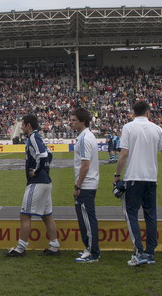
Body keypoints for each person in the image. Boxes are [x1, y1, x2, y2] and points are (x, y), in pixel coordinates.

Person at [115, 100, 162, 266]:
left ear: (134, 112)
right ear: (148, 112)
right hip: (151, 177)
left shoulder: (128, 127)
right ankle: (150, 252)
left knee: (131, 213)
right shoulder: (156, 128)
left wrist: (117, 174)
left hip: (134, 176)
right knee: (150, 214)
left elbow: (124, 154)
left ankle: (139, 251)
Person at [6, 114, 60, 257]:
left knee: (25, 215)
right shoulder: (38, 138)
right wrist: (44, 169)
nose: (21, 127)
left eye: (23, 125)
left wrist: (36, 171)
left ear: (29, 125)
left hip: (37, 183)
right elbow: (49, 155)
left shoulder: (33, 138)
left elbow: (43, 155)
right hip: (46, 182)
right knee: (47, 216)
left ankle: (20, 248)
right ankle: (54, 245)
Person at [70, 108, 100, 263]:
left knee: (87, 219)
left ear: (83, 121)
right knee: (87, 218)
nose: (71, 122)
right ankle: (90, 249)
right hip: (89, 183)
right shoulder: (87, 136)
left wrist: (77, 186)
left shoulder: (84, 138)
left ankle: (92, 252)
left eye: (74, 120)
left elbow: (85, 165)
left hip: (86, 185)